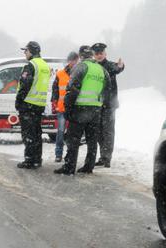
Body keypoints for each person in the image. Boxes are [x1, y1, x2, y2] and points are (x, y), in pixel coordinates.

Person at [54, 45, 110, 175]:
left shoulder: (81, 67)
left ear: (80, 56)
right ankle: (89, 166)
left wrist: (68, 108)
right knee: (92, 140)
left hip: (80, 109)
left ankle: (69, 167)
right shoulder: (101, 69)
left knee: (73, 139)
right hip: (95, 110)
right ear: (91, 54)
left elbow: (72, 88)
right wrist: (101, 106)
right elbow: (107, 91)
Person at [15, 41, 51, 169]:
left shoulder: (31, 65)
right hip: (39, 104)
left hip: (28, 104)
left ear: (31, 51)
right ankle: (37, 159)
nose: (25, 53)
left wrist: (18, 101)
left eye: (26, 50)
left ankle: (29, 160)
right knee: (36, 133)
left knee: (28, 135)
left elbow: (25, 85)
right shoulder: (45, 66)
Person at [91, 43, 124, 168]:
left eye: (101, 53)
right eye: (97, 54)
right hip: (96, 104)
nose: (99, 56)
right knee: (98, 132)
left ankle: (106, 158)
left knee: (108, 132)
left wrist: (121, 66)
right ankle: (102, 156)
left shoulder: (109, 65)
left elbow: (117, 68)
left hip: (109, 105)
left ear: (105, 54)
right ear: (94, 55)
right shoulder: (93, 66)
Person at [51, 51, 79, 162]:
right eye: (71, 60)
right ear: (68, 61)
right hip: (62, 109)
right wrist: (54, 102)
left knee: (72, 134)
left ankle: (70, 155)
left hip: (75, 108)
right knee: (60, 132)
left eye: (75, 60)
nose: (73, 62)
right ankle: (58, 154)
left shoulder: (80, 73)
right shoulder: (60, 74)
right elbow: (55, 90)